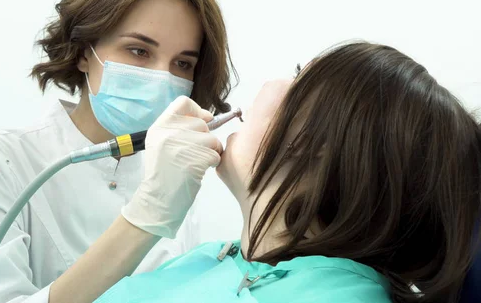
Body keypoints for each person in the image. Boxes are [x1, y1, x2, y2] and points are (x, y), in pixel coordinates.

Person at [43, 42, 480, 303]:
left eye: (298, 78)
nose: (273, 85)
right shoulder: (213, 258)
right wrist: (147, 211)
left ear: (323, 146)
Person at [0, 0, 236, 302]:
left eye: (182, 64)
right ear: (85, 51)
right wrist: (146, 216)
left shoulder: (172, 174)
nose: (161, 77)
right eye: (139, 51)